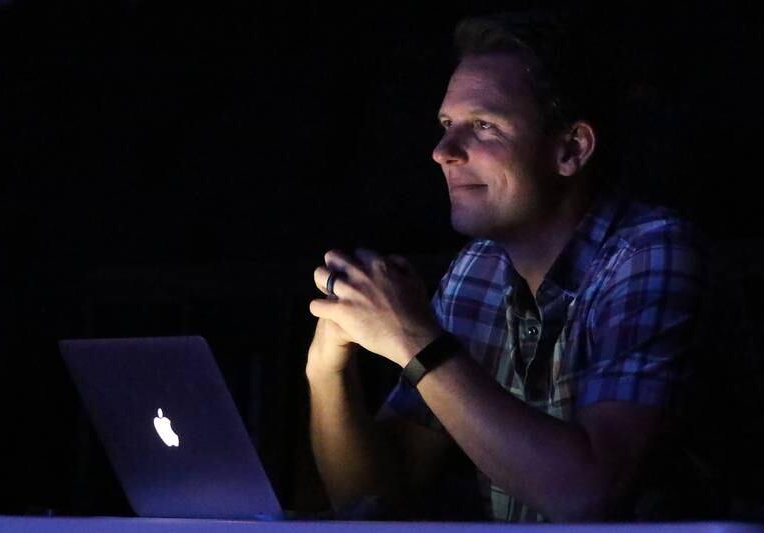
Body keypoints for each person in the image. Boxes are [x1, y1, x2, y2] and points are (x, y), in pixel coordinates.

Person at [305, 9, 728, 522]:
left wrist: (415, 340)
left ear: (571, 149)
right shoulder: (476, 272)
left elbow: (588, 497)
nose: (443, 152)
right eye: (445, 125)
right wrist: (327, 370)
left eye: (483, 127)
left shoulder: (653, 256)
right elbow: (371, 499)